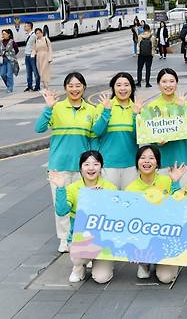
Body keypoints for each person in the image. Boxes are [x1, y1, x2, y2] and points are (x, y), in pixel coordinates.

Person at [35, 72, 97, 253]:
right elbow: (38, 128)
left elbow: (93, 140)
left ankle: (79, 237)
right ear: (65, 88)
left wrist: (93, 165)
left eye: (78, 85)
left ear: (84, 87)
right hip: (59, 166)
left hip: (83, 168)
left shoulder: (91, 110)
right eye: (70, 85)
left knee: (82, 204)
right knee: (60, 205)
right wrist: (48, 108)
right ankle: (64, 238)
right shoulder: (57, 107)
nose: (74, 89)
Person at [50, 151, 117, 283]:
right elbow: (62, 211)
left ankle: (102, 263)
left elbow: (117, 216)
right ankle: (78, 266)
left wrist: (102, 198)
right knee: (78, 257)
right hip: (81, 239)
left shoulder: (110, 188)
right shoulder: (73, 188)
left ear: (101, 167)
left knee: (101, 278)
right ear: (81, 168)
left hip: (103, 242)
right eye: (87, 164)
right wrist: (61, 188)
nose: (91, 168)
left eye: (96, 164)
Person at [126, 145, 187, 283]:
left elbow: (180, 208)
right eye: (142, 158)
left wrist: (176, 183)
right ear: (137, 162)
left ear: (157, 163)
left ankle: (169, 262)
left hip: (166, 236)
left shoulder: (168, 180)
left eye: (151, 158)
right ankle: (145, 264)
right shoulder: (130, 189)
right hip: (144, 237)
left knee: (166, 278)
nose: (146, 161)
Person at [137, 69, 187, 186]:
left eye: (172, 81)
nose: (168, 85)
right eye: (164, 81)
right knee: (162, 199)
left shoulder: (185, 104)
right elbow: (148, 134)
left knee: (181, 197)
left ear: (176, 83)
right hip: (161, 161)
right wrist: (157, 142)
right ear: (158, 84)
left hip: (181, 160)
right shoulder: (152, 106)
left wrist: (181, 110)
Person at [92, 72, 139, 189]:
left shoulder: (138, 108)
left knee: (129, 203)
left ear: (132, 88)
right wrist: (106, 112)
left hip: (131, 165)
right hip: (108, 165)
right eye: (118, 85)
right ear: (113, 87)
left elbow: (138, 137)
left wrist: (135, 116)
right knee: (109, 203)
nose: (122, 88)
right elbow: (97, 131)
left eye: (126, 85)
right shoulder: (103, 106)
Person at [23, 21, 40, 91]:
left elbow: (37, 45)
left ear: (30, 26)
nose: (24, 27)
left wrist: (34, 54)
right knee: (28, 72)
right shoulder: (26, 35)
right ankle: (29, 86)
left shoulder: (33, 36)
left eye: (25, 26)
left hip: (32, 56)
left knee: (35, 71)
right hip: (27, 55)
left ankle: (37, 86)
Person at [0, 29, 19, 93]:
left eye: (4, 34)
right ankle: (8, 85)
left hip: (10, 60)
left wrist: (12, 56)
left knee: (9, 74)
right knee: (2, 74)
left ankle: (10, 88)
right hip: (3, 60)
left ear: (8, 34)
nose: (3, 35)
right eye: (2, 34)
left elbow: (16, 50)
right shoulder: (1, 42)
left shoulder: (12, 42)